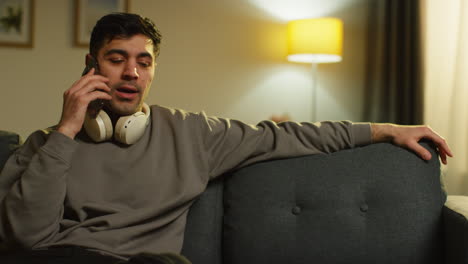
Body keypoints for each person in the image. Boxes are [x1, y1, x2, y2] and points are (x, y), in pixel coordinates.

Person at [0, 13, 452, 264]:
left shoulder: (191, 133)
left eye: (144, 61)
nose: (132, 72)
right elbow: (27, 238)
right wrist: (66, 130)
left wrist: (386, 129)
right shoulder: (45, 146)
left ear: (154, 69)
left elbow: (287, 137)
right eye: (116, 59)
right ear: (91, 66)